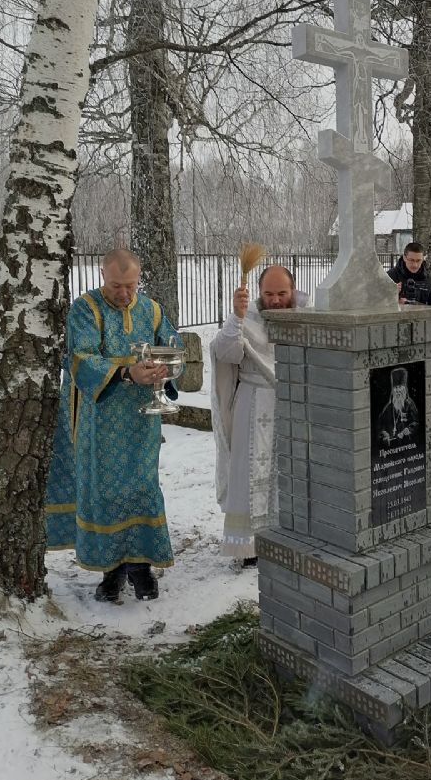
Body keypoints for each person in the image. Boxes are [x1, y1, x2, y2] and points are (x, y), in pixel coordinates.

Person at [45, 249, 179, 602]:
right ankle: (111, 571)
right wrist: (126, 372)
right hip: (99, 420)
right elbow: (82, 357)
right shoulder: (85, 309)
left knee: (142, 486)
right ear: (103, 276)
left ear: (139, 278)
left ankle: (141, 567)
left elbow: (172, 344)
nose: (124, 293)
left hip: (140, 419)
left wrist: (165, 367)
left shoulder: (151, 310)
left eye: (130, 285)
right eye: (116, 285)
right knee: (104, 492)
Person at [210, 265, 308, 564]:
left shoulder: (308, 317)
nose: (275, 300)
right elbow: (225, 352)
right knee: (248, 472)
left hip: (293, 406)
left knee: (289, 472)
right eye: (268, 294)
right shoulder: (247, 318)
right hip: (252, 404)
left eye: (282, 293)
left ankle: (288, 537)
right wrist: (236, 317)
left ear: (293, 290)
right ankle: (248, 546)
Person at [377, 366, 420, 447]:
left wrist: (409, 429)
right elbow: (380, 424)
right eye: (396, 388)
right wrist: (383, 433)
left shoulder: (409, 404)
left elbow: (416, 422)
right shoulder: (389, 407)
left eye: (400, 387)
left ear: (404, 389)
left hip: (407, 444)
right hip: (392, 446)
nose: (398, 390)